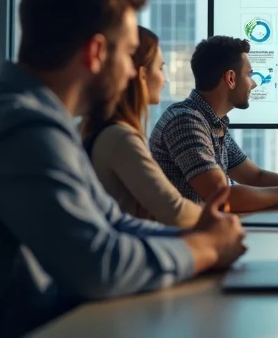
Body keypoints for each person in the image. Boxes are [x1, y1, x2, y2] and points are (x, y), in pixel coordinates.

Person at [0, 0, 245, 338]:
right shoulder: (19, 129)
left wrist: (198, 235)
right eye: (128, 54)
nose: (131, 73)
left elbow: (112, 223)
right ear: (96, 52)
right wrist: (203, 248)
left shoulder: (31, 116)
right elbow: (99, 266)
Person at [150, 36, 278, 212]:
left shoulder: (213, 122)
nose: (254, 84)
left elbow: (254, 176)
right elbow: (221, 196)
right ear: (231, 78)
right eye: (249, 75)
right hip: (182, 230)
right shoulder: (184, 122)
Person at [82, 26, 202, 227]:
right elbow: (175, 211)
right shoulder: (121, 139)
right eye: (161, 68)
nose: (164, 79)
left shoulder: (100, 129)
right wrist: (222, 217)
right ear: (142, 75)